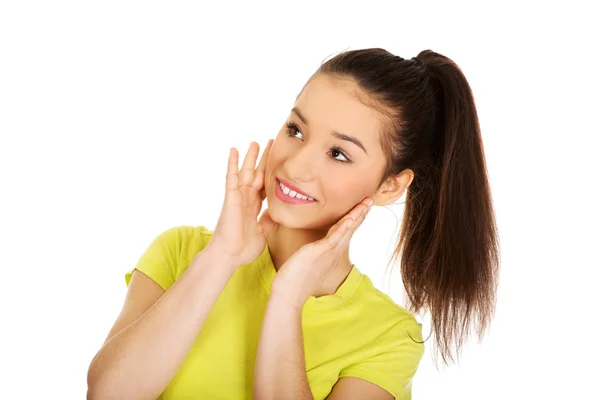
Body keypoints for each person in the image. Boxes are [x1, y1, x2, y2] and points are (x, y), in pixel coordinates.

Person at [87, 48, 499, 400]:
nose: (295, 163)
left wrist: (286, 301)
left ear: (391, 186)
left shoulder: (387, 336)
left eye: (338, 153)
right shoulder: (183, 252)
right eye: (296, 130)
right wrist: (221, 258)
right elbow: (108, 392)